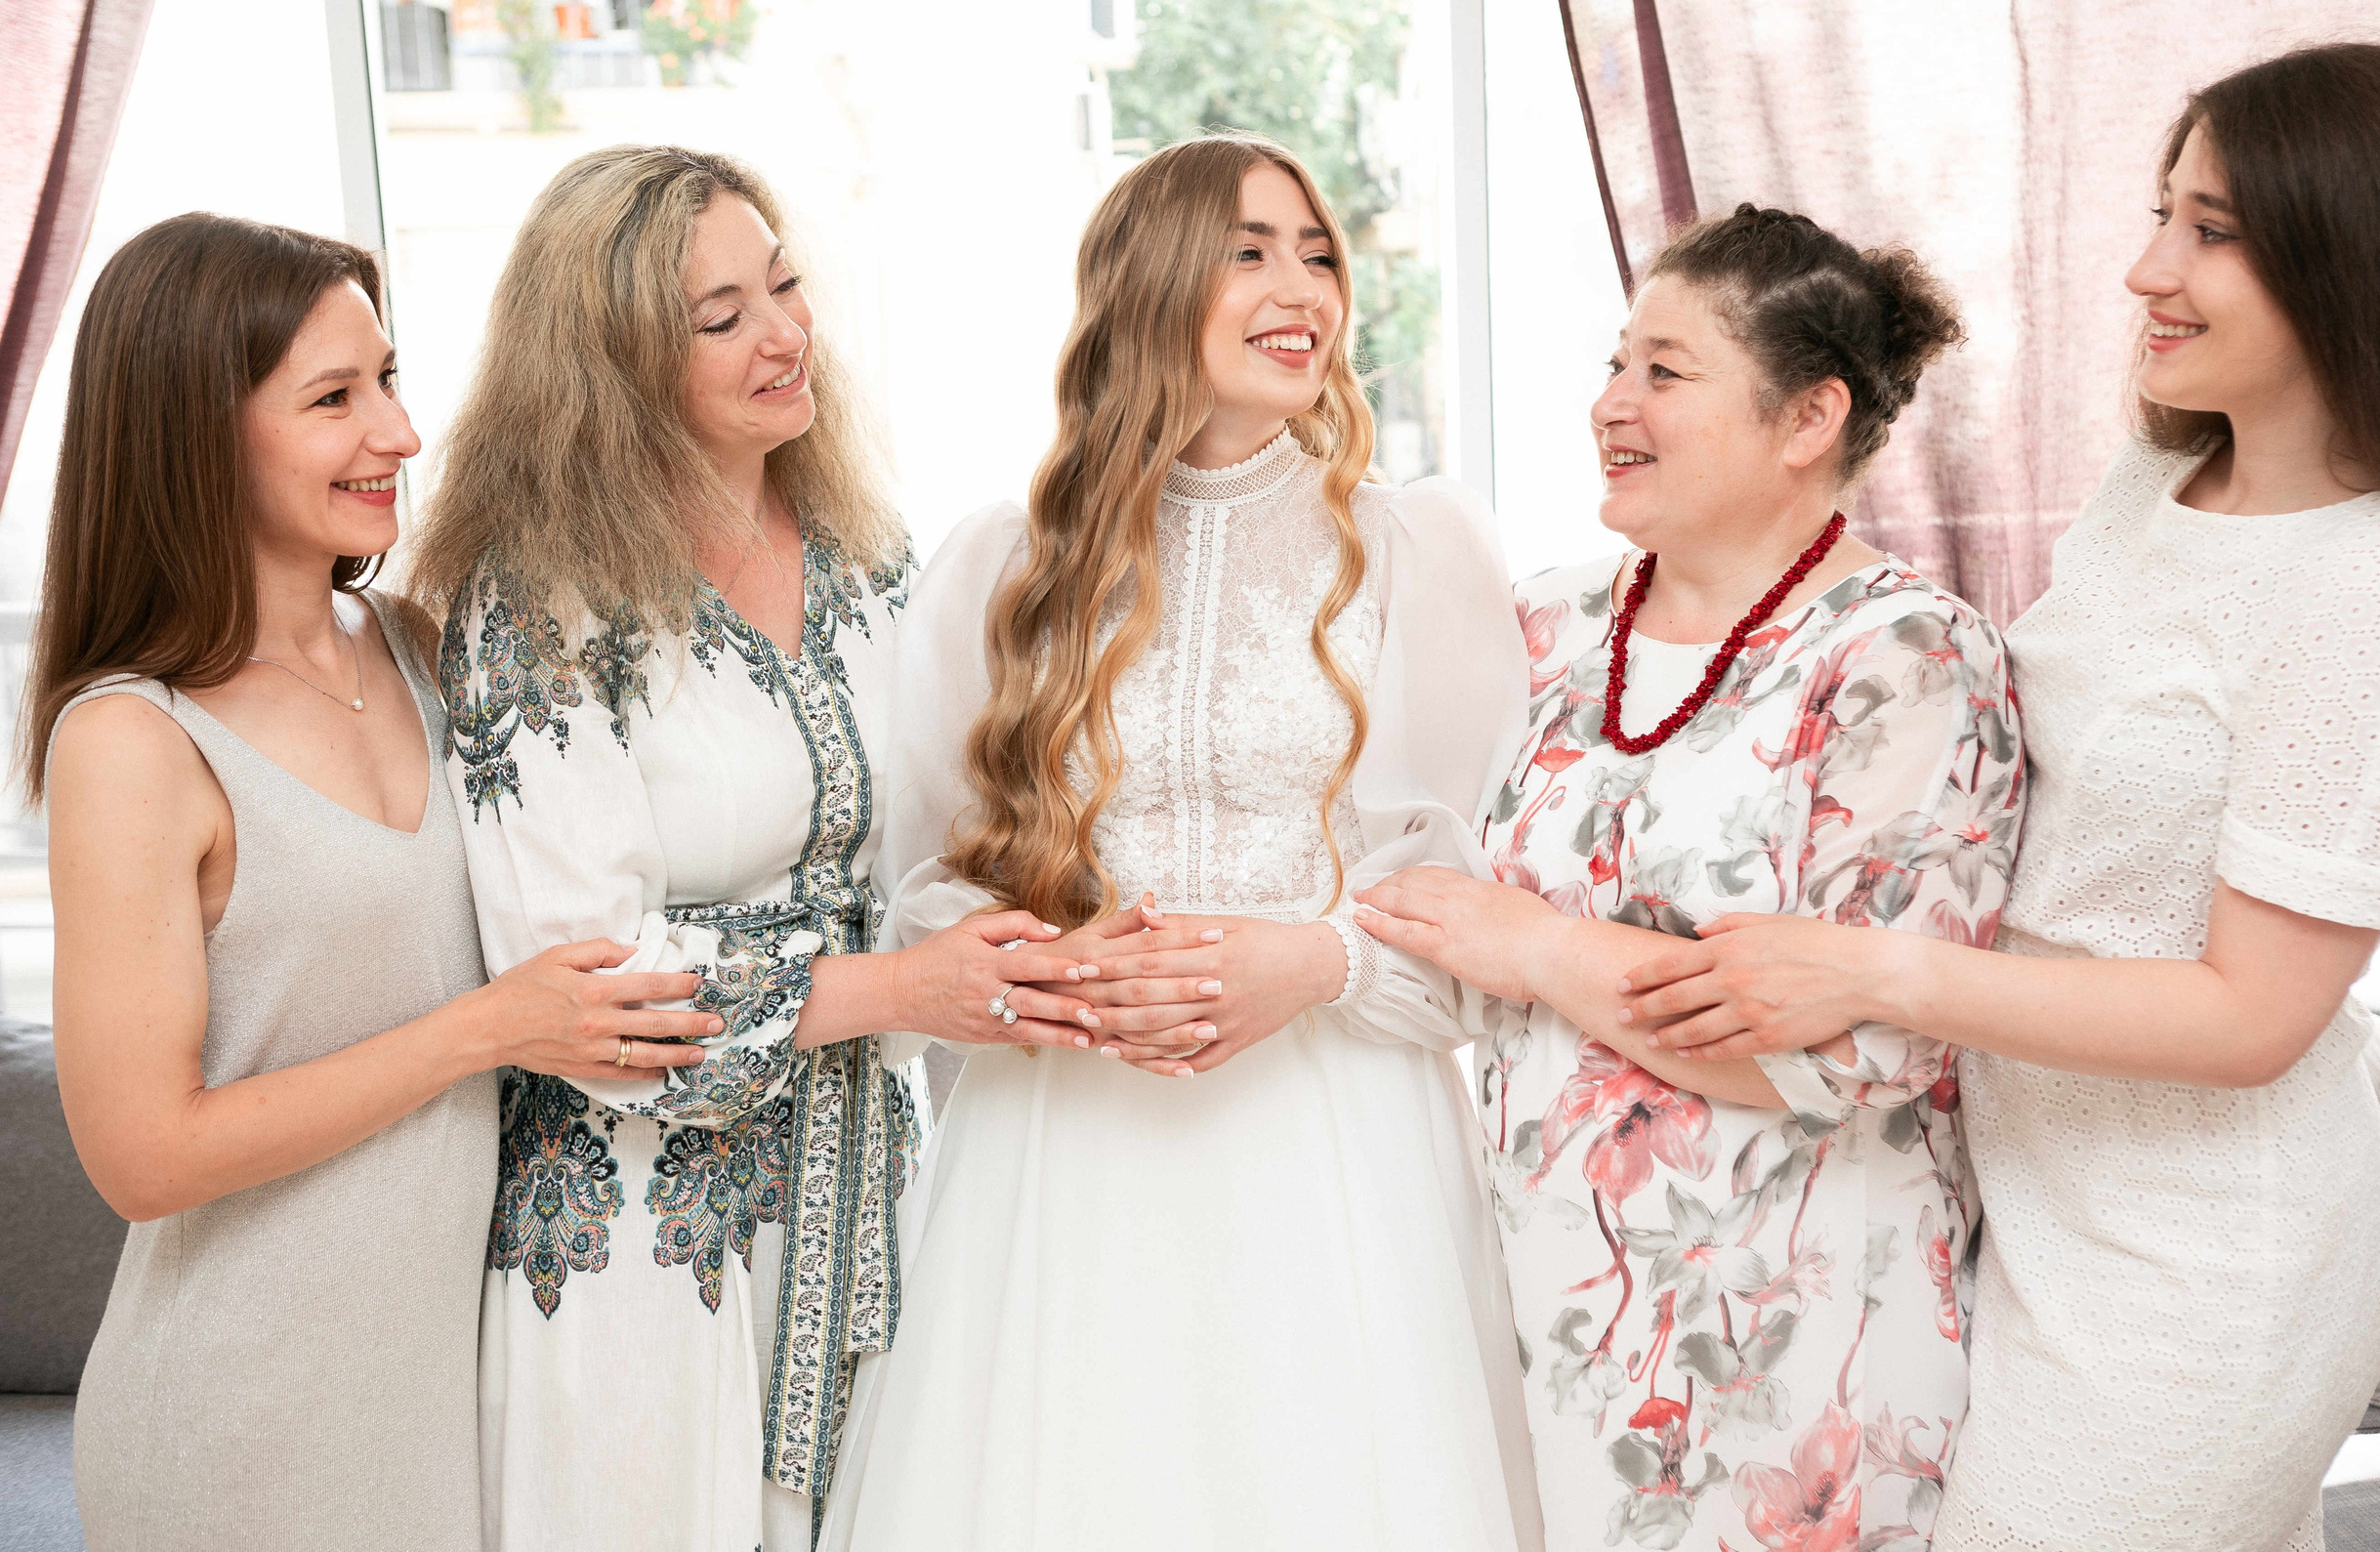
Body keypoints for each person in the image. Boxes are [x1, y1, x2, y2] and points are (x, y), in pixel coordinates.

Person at [1610, 44, 2380, 1551]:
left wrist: (1878, 970)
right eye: (2164, 212)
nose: (2149, 267)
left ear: (2356, 250)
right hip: (2021, 1206)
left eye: (2213, 229)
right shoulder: (2155, 485)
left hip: (2202, 1272)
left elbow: (2249, 1017)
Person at [819, 135, 1541, 1551]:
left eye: (1319, 253)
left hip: (1336, 1140)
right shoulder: (999, 565)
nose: (1303, 287)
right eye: (1250, 249)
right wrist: (1054, 970)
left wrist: (1314, 963)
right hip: (1062, 1149)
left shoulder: (1415, 553)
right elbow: (928, 895)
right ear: (1149, 288)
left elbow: (1474, 901)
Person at [405, 146, 1099, 1551]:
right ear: (605, 366)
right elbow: (587, 983)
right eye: (720, 317)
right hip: (638, 1245)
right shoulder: (534, 602)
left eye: (781, 284)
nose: (785, 332)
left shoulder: (864, 552)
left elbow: (947, 835)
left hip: (870, 1194)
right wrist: (900, 992)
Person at [29, 213, 719, 1552]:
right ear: (192, 433)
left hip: (448, 1408)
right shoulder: (134, 740)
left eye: (389, 380)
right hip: (239, 1425)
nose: (399, 433)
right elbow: (143, 1156)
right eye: (335, 399)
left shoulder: (416, 644)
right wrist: (486, 1029)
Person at [1356, 205, 2016, 1551]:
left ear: (1806, 417)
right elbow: (1426, 910)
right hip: (1534, 1284)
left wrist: (1538, 953)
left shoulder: (1907, 658)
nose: (1611, 403)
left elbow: (1858, 1047)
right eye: (1613, 365)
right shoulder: (1539, 623)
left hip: (1797, 1320)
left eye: (1664, 371)